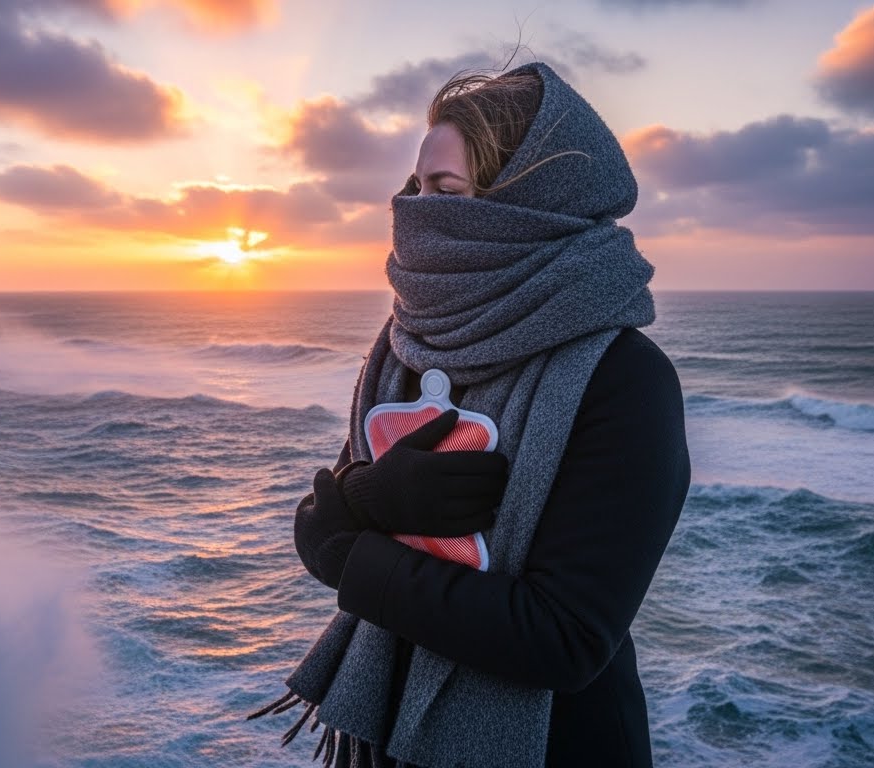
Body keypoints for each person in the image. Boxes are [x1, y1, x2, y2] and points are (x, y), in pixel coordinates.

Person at [248, 59, 691, 768]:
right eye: (414, 188)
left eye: (444, 190)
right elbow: (321, 519)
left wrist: (355, 555)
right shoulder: (408, 344)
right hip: (387, 732)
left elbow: (563, 636)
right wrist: (369, 496)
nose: (414, 212)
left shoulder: (624, 378)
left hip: (557, 747)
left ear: (529, 203)